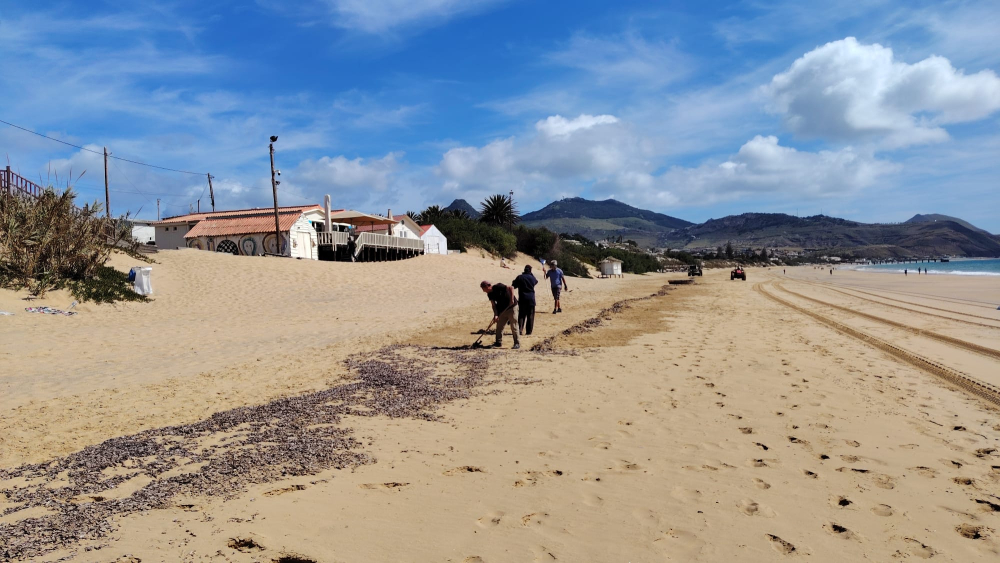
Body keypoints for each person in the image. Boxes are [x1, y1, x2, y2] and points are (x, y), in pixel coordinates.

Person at [480, 280, 519, 349]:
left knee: (514, 325)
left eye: (483, 289)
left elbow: (511, 288)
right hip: (502, 310)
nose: (483, 291)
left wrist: (512, 299)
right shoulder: (489, 294)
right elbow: (494, 305)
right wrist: (496, 315)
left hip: (512, 307)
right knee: (499, 326)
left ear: (487, 286)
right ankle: (498, 342)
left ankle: (516, 343)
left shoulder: (498, 286)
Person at [512, 265, 538, 336]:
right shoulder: (532, 277)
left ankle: (520, 330)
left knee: (521, 315)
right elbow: (536, 282)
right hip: (531, 299)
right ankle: (529, 331)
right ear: (530, 270)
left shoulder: (520, 277)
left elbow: (514, 285)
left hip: (522, 298)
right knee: (530, 315)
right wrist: (531, 274)